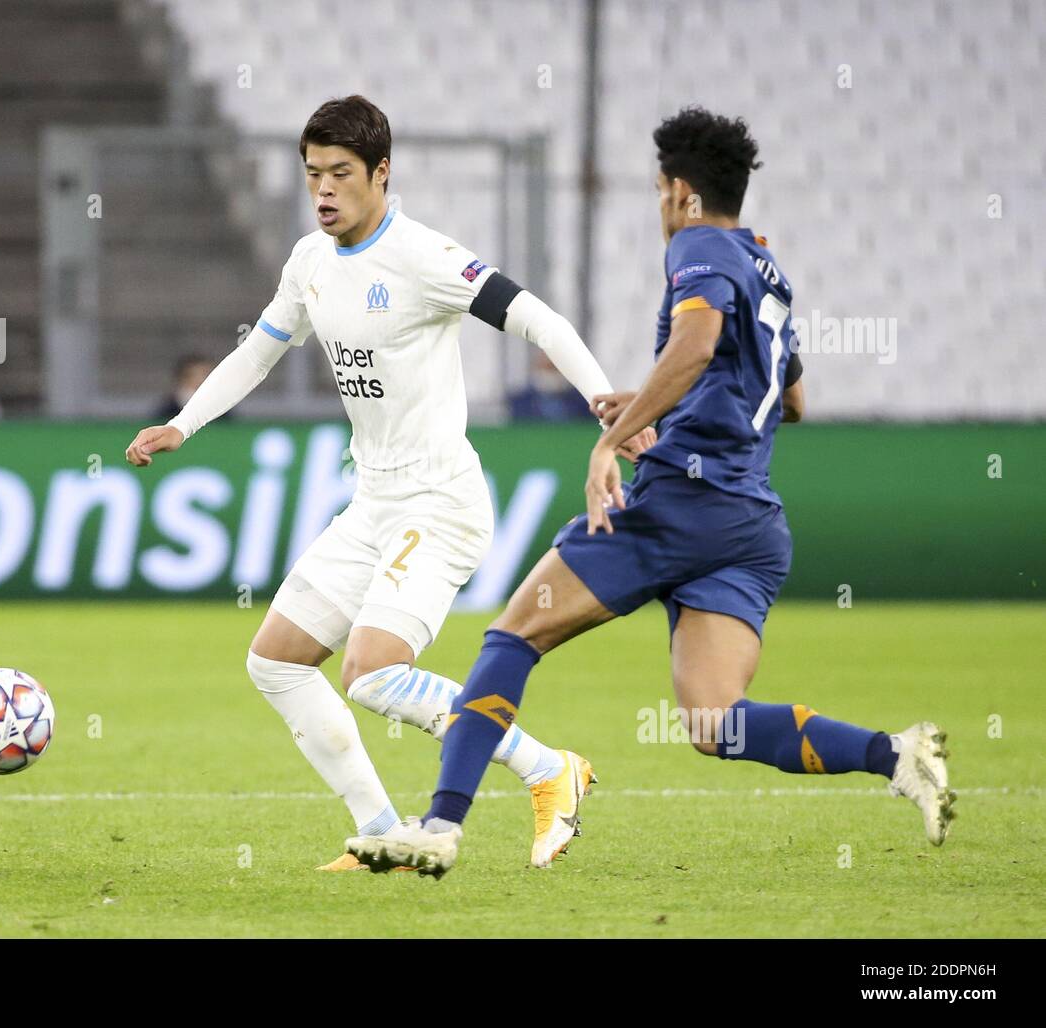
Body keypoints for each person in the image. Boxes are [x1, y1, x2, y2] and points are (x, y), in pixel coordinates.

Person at [347, 106, 954, 877]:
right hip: (749, 524)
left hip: (676, 509)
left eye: (659, 189)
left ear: (679, 192)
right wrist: (652, 407)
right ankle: (897, 756)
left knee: (510, 639)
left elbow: (697, 345)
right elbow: (789, 400)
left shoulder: (697, 246)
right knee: (713, 721)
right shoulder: (767, 268)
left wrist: (614, 437)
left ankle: (439, 825)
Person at [124, 95, 654, 869]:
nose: (324, 191)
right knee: (273, 660)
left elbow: (541, 320)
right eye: (313, 175)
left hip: (438, 502)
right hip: (373, 502)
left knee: (370, 674)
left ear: (381, 174)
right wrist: (185, 424)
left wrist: (607, 410)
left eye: (340, 173)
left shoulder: (425, 259)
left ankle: (549, 769)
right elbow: (258, 354)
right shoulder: (309, 263)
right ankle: (379, 831)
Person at [152, 355, 218, 423]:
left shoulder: (219, 411)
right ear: (183, 378)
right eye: (197, 375)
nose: (203, 380)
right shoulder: (166, 411)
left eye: (208, 375)